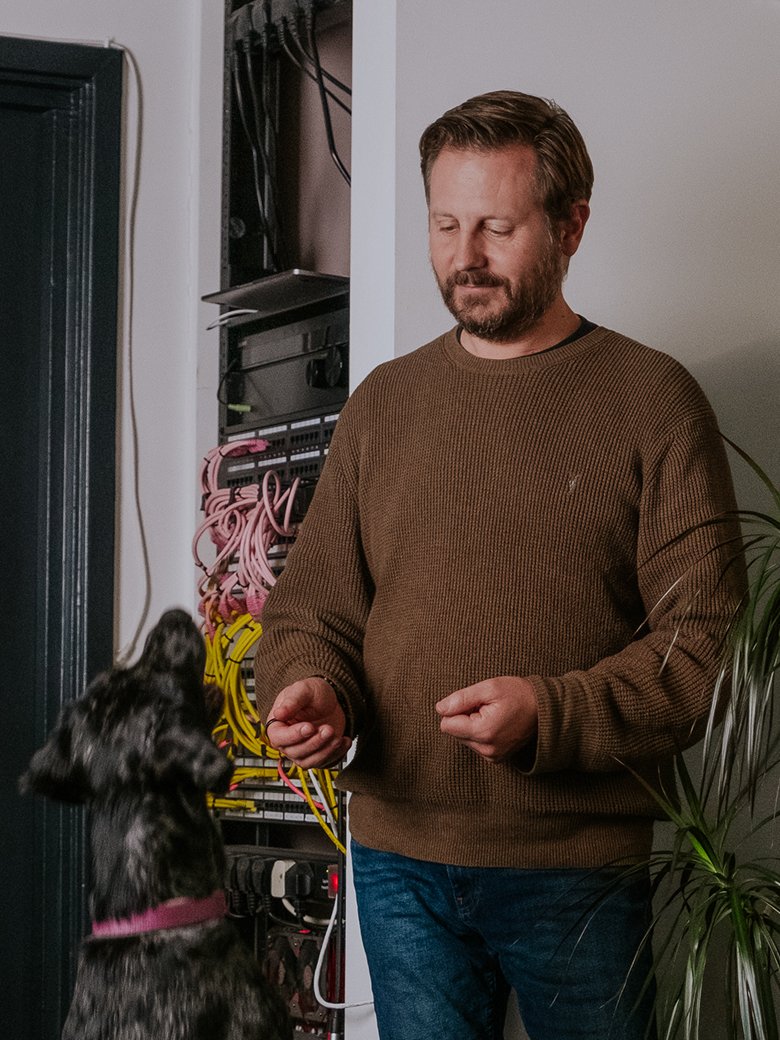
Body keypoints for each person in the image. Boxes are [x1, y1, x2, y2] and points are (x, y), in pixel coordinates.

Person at [254, 90, 743, 1040]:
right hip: (397, 859)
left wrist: (548, 716)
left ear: (571, 225)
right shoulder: (386, 403)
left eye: (496, 227)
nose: (464, 256)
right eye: (444, 224)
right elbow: (314, 609)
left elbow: (704, 654)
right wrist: (311, 684)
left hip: (578, 870)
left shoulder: (654, 400)